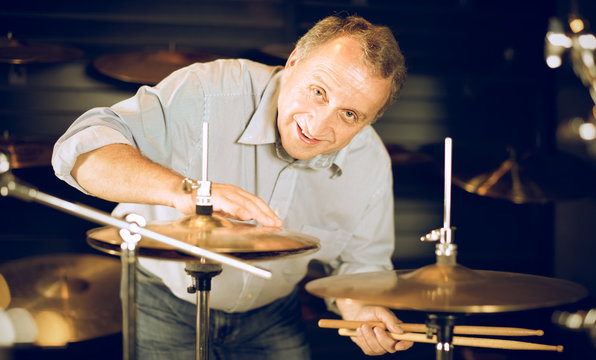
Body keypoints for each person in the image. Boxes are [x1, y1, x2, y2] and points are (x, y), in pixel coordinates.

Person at [52, 14, 410, 359]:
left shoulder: (369, 161)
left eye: (350, 115)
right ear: (293, 62)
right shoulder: (210, 91)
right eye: (318, 91)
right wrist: (186, 191)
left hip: (274, 314)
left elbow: (361, 267)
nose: (318, 124)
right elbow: (82, 152)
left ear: (370, 119)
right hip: (166, 301)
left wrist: (361, 309)